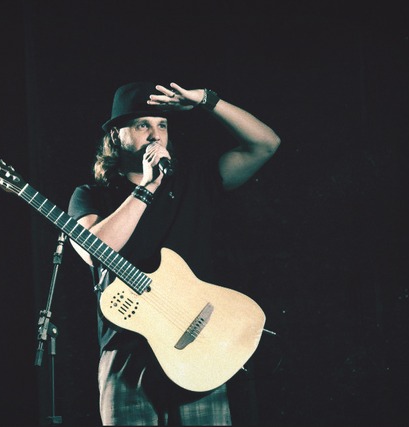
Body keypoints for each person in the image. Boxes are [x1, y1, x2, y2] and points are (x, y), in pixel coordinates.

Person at [67, 81, 280, 426]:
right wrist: (148, 187)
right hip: (127, 352)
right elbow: (97, 251)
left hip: (197, 344)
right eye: (142, 125)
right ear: (116, 135)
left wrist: (206, 101)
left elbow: (266, 144)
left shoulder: (192, 181)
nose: (155, 134)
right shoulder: (91, 196)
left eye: (162, 125)